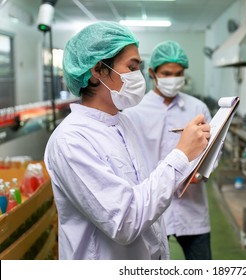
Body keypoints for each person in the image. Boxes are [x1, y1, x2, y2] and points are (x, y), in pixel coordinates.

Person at [43, 22, 210, 260]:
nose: (138, 77)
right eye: (131, 67)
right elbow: (124, 221)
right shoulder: (71, 141)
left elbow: (143, 194)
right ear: (98, 70)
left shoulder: (121, 123)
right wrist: (181, 155)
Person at [123, 40, 213, 260]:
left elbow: (213, 150)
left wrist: (200, 173)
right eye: (166, 73)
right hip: (151, 205)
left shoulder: (197, 108)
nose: (173, 79)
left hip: (191, 206)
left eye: (178, 73)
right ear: (152, 73)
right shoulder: (134, 111)